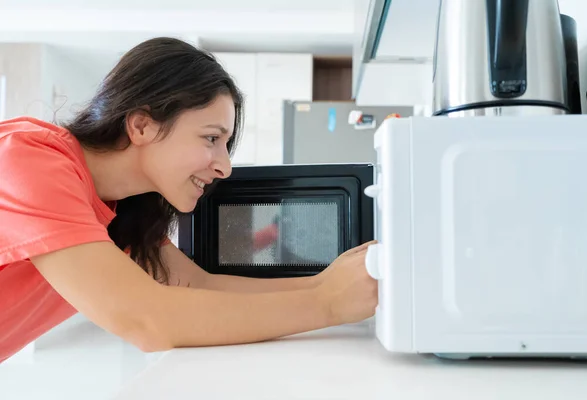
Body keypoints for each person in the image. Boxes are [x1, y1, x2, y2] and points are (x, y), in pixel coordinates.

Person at [0, 37, 378, 363]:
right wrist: (326, 304)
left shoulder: (121, 211)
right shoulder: (29, 158)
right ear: (142, 125)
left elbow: (196, 285)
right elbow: (146, 319)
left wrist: (325, 284)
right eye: (212, 139)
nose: (225, 167)